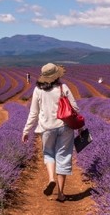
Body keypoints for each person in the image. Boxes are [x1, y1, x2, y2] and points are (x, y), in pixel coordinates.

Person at [22, 63, 79, 203]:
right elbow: (75, 108)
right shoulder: (63, 87)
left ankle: (51, 179)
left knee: (48, 153)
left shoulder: (38, 90)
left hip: (46, 128)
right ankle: (60, 193)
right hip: (65, 127)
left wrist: (26, 130)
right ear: (57, 75)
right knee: (63, 157)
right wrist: (79, 125)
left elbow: (33, 113)